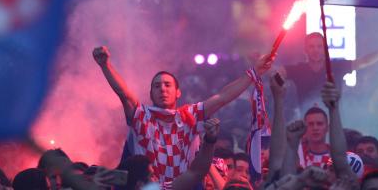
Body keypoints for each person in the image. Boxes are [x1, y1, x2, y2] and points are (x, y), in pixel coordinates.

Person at [92, 46, 274, 184]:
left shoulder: (190, 115)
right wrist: (105, 65)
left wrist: (253, 73)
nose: (162, 89)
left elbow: (223, 97)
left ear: (178, 92)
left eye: (167, 85)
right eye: (157, 86)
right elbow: (124, 94)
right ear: (150, 94)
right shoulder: (142, 116)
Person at [284, 32, 378, 109]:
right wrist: (268, 61)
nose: (316, 50)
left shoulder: (336, 66)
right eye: (311, 46)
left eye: (319, 46)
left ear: (325, 48)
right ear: (305, 50)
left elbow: (363, 62)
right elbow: (276, 72)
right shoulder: (298, 69)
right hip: (307, 121)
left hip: (333, 119)